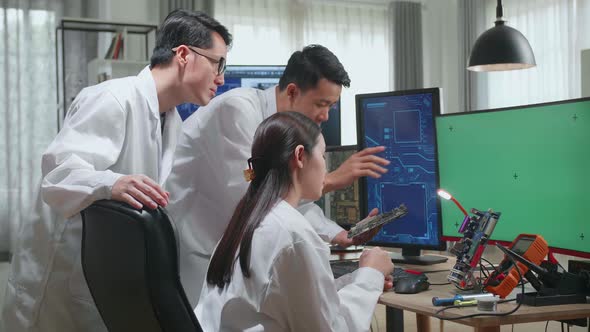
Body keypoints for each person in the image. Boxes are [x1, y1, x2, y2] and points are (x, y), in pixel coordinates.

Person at [2, 9, 232, 332]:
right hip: (57, 287)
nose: (221, 78)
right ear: (183, 55)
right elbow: (57, 176)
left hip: (103, 286)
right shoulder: (113, 99)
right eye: (218, 63)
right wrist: (112, 183)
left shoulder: (173, 124)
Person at [165, 44, 390, 305]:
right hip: (195, 252)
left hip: (229, 254)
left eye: (331, 106)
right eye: (321, 104)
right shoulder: (238, 111)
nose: (325, 116)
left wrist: (337, 234)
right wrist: (332, 179)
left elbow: (282, 203)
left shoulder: (284, 131)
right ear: (293, 91)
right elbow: (256, 195)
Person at [196, 111, 394, 331]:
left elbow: (297, 300)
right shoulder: (293, 235)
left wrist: (356, 280)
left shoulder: (245, 221)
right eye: (323, 156)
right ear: (300, 156)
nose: (325, 167)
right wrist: (371, 275)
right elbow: (332, 328)